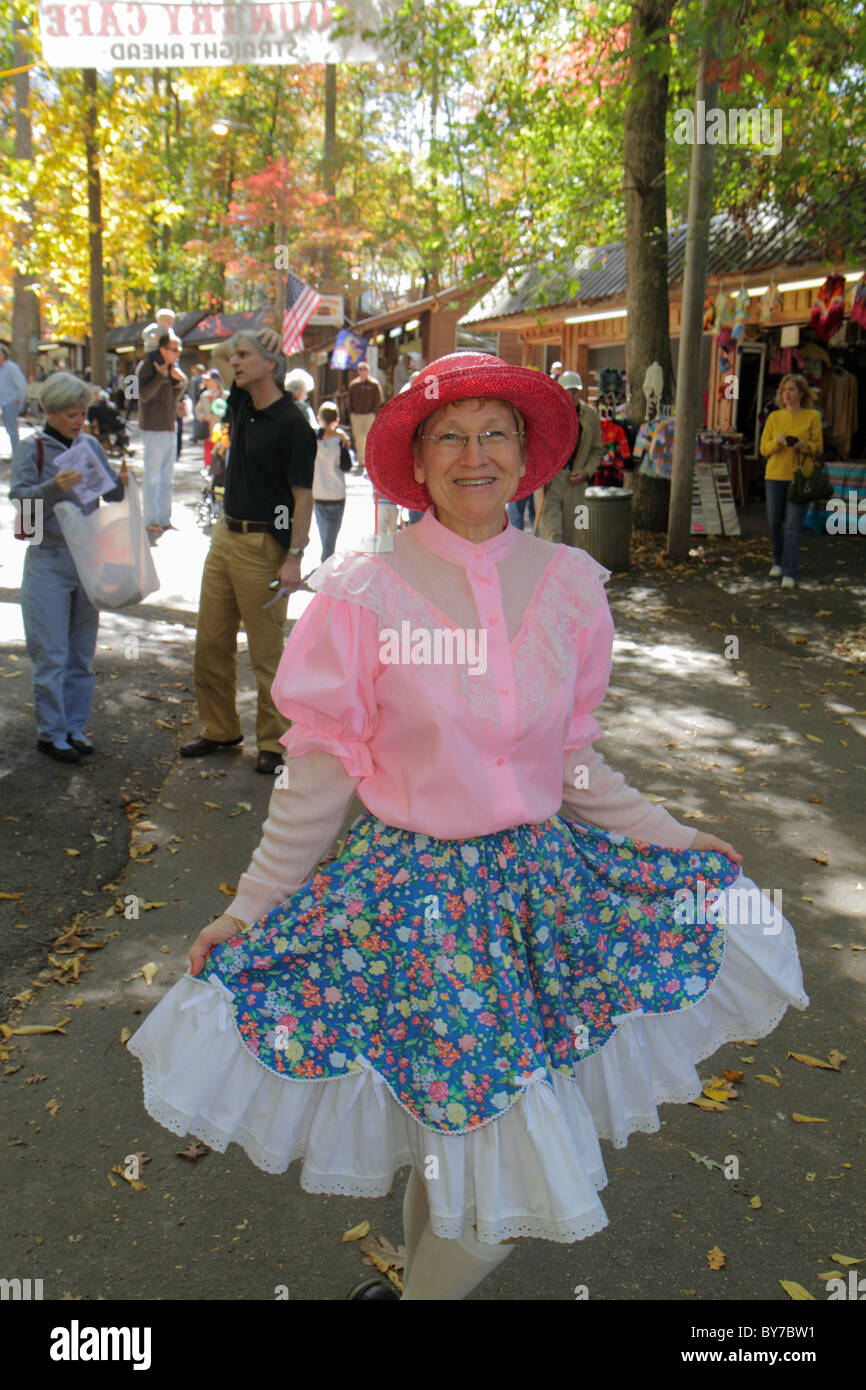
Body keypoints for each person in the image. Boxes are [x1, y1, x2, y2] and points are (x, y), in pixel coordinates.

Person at [129, 351, 808, 1301]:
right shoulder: (361, 594)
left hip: (544, 895)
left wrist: (674, 838)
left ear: (526, 453)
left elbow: (573, 763)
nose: (474, 453)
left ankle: (406, 1288)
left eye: (495, 431)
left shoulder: (571, 582)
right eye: (450, 434)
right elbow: (317, 779)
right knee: (493, 1165)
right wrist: (246, 911)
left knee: (462, 1144)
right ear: (417, 456)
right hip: (414, 909)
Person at [179, 327, 316, 775]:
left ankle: (274, 742)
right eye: (233, 356)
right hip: (224, 536)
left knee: (266, 653)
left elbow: (302, 497)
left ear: (270, 366)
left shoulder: (293, 423)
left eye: (244, 356)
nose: (232, 362)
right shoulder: (241, 403)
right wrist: (247, 337)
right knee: (211, 643)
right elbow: (218, 353)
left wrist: (294, 555)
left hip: (264, 545)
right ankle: (220, 728)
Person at [9, 372, 127, 763]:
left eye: (81, 413)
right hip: (47, 557)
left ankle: (75, 726)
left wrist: (121, 481)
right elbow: (22, 504)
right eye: (70, 414)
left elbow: (110, 493)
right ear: (49, 411)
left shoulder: (89, 443)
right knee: (51, 652)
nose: (78, 421)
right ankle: (51, 732)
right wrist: (53, 487)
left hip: (86, 557)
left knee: (81, 652)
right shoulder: (34, 450)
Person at [759, 373, 823, 590]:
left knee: (793, 526)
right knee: (774, 523)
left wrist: (803, 445)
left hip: (799, 477)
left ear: (801, 392)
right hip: (775, 476)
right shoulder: (774, 417)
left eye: (792, 389)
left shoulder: (812, 416)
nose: (787, 394)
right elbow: (763, 449)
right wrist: (777, 443)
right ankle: (778, 560)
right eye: (784, 390)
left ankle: (789, 570)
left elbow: (818, 448)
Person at [538, 370, 603, 546]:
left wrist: (587, 472)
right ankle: (553, 572)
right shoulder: (547, 413)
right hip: (551, 482)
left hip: (577, 482)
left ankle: (573, 572)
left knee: (577, 533)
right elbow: (537, 447)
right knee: (552, 535)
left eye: (574, 391)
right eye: (567, 391)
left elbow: (597, 450)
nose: (570, 396)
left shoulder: (591, 415)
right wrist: (542, 475)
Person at [137, 330, 187, 532]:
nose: (177, 354)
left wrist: (180, 382)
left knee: (167, 477)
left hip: (169, 427)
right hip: (153, 428)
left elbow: (174, 397)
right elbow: (142, 395)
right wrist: (160, 376)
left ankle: (165, 519)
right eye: (174, 350)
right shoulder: (147, 366)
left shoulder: (171, 368)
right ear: (162, 349)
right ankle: (150, 520)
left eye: (179, 350)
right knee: (152, 477)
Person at [312, 401, 352, 562]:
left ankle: (326, 558)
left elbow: (319, 433)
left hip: (318, 492)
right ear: (336, 420)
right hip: (336, 493)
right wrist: (341, 437)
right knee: (331, 536)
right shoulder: (340, 442)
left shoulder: (312, 439)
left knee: (324, 534)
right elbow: (346, 465)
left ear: (319, 418)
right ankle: (326, 560)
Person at [347, 359, 382, 473]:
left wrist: (373, 412)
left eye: (365, 369)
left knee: (369, 438)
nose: (363, 371)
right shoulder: (354, 385)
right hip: (357, 414)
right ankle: (361, 460)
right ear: (358, 371)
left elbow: (377, 400)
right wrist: (351, 412)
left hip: (369, 415)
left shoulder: (374, 384)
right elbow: (349, 399)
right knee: (358, 438)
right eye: (361, 369)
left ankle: (369, 460)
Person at [0, 344, 28, 458]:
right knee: (8, 428)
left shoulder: (11, 367)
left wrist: (21, 399)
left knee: (12, 430)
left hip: (11, 402)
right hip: (3, 402)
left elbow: (22, 384)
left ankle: (17, 454)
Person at [193, 370, 225, 469]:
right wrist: (203, 417)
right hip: (208, 429)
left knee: (221, 452)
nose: (206, 382)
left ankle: (220, 474)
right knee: (208, 451)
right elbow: (198, 410)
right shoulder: (204, 396)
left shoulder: (226, 395)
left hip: (222, 431)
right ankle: (208, 471)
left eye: (208, 380)